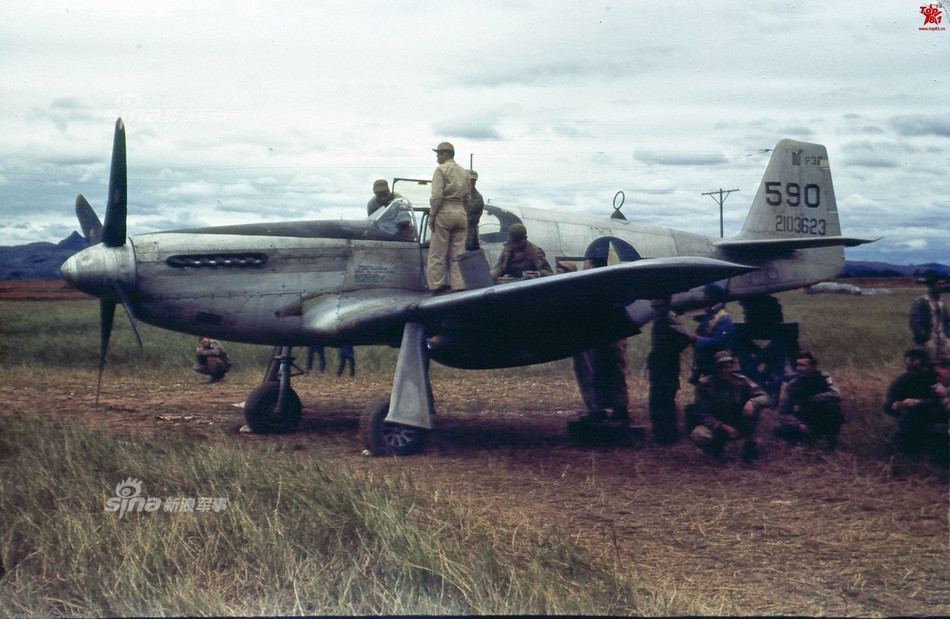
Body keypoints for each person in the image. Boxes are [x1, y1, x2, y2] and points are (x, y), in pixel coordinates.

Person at [571, 249, 633, 427]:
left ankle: (620, 411)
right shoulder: (602, 283)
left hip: (612, 336)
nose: (584, 265)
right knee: (603, 373)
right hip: (604, 335)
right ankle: (606, 410)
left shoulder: (603, 284)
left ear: (592, 264)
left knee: (614, 373)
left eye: (587, 262)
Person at [689, 350, 771, 462]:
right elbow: (701, 413)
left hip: (738, 421)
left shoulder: (742, 380)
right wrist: (722, 426)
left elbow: (766, 398)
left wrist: (752, 402)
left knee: (757, 410)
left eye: (728, 367)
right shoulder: (704, 385)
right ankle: (715, 449)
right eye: (721, 367)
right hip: (716, 424)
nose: (725, 371)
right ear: (715, 368)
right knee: (699, 434)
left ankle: (750, 447)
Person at [647, 295, 695, 444]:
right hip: (660, 367)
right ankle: (662, 435)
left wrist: (668, 352)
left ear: (661, 300)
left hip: (667, 368)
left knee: (664, 400)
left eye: (654, 298)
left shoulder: (668, 317)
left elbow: (686, 337)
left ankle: (667, 437)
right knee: (658, 401)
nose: (651, 301)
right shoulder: (661, 317)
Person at [773, 350, 844, 449]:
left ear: (813, 366)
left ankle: (830, 442)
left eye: (803, 365)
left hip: (822, 415)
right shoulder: (794, 384)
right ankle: (805, 441)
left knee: (833, 407)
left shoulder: (825, 378)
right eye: (797, 365)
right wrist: (798, 425)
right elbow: (784, 411)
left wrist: (814, 399)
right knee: (779, 430)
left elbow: (836, 394)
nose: (799, 368)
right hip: (804, 417)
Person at [427, 142, 470, 294]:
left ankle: (437, 286)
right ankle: (458, 285)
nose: (437, 158)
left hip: (444, 211)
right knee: (458, 252)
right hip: (461, 212)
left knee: (437, 252)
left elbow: (436, 196)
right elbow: (468, 197)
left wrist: (432, 215)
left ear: (445, 154)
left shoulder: (440, 169)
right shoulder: (464, 172)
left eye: (438, 154)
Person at [883, 348, 940, 455]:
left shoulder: (933, 378)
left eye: (915, 359)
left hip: (931, 414)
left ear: (923, 361)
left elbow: (940, 401)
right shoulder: (902, 379)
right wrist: (894, 405)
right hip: (910, 416)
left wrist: (918, 402)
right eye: (909, 359)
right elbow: (891, 398)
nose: (911, 361)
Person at [689, 283, 735, 385]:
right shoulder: (710, 315)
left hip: (716, 367)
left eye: (706, 294)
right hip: (708, 365)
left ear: (713, 297)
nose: (703, 297)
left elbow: (719, 342)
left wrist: (698, 340)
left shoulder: (723, 318)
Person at [909, 269, 950, 365]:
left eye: (941, 284)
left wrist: (948, 336)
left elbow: (948, 321)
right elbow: (915, 322)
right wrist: (924, 337)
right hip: (927, 344)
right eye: (937, 284)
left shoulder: (942, 303)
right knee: (927, 368)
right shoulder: (920, 302)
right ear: (931, 286)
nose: (940, 287)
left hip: (943, 343)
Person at [465, 170, 484, 251]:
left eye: (473, 181)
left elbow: (466, 211)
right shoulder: (460, 194)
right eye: (470, 180)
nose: (471, 183)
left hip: (469, 234)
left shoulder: (477, 197)